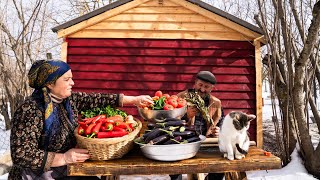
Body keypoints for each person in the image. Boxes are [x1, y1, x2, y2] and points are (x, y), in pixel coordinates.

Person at [9, 60, 153, 180]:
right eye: (66, 79)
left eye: (71, 78)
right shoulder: (30, 110)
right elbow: (21, 154)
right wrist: (64, 158)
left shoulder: (68, 100)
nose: (72, 83)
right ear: (50, 84)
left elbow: (98, 99)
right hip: (37, 174)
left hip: (67, 169)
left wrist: (134, 100)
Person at [170, 71, 224, 180]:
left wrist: (219, 130)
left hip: (206, 143)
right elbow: (170, 122)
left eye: (207, 87)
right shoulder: (181, 98)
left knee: (223, 164)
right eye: (200, 85)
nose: (203, 89)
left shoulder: (216, 103)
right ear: (195, 83)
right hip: (183, 142)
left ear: (211, 88)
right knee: (173, 162)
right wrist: (186, 116)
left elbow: (222, 121)